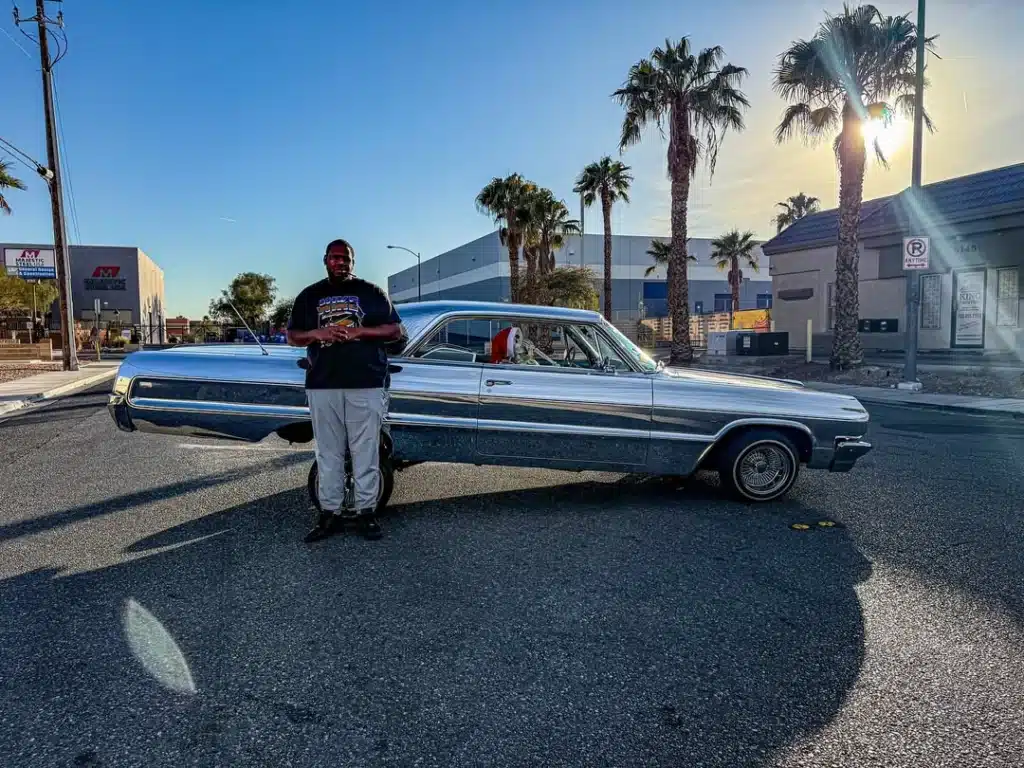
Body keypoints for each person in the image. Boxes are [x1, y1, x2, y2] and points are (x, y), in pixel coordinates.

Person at [286, 238, 404, 542]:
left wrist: (358, 331)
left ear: (353, 261)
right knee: (328, 453)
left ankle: (367, 513)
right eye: (335, 257)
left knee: (366, 451)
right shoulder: (310, 295)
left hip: (366, 382)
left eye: (346, 258)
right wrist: (317, 333)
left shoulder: (371, 292)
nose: (340, 262)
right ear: (325, 259)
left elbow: (395, 331)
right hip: (323, 383)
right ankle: (330, 514)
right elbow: (292, 336)